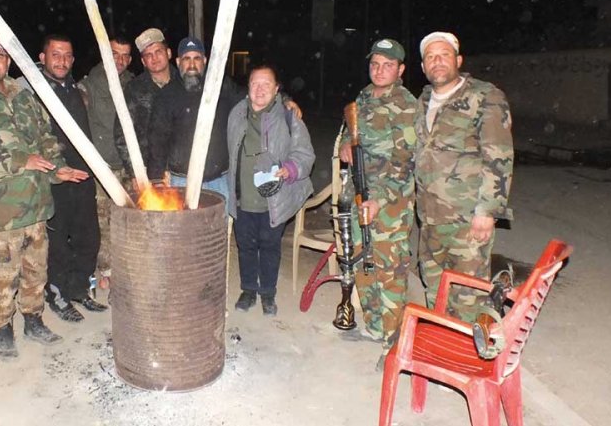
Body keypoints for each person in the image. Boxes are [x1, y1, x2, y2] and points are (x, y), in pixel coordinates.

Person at [0, 32, 88, 360]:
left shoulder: (24, 97)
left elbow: (44, 138)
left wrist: (58, 169)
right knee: (2, 275)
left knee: (35, 269)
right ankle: (2, 328)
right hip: (0, 210)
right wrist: (20, 160)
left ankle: (34, 320)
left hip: (36, 204)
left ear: (8, 61)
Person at [414, 31, 514, 323]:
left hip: (467, 220)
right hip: (429, 219)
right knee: (435, 288)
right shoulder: (422, 101)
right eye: (430, 57)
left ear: (458, 60)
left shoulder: (484, 96)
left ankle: (467, 358)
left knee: (468, 295)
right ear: (423, 67)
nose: (437, 61)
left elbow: (499, 157)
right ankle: (438, 346)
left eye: (444, 55)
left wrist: (488, 211)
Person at [336, 38, 417, 367]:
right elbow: (349, 132)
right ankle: (373, 325)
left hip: (390, 204)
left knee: (390, 271)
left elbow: (405, 162)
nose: (379, 70)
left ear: (400, 70)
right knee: (362, 261)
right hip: (359, 194)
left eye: (387, 65)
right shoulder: (364, 97)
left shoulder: (407, 105)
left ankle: (395, 341)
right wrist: (344, 145)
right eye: (375, 64)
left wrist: (379, 200)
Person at [227, 64, 315, 316]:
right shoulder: (236, 114)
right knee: (245, 245)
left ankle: (267, 293)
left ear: (277, 89)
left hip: (273, 199)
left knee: (269, 246)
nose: (260, 89)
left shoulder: (288, 117)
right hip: (243, 197)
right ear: (248, 88)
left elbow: (305, 154)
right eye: (255, 83)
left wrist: (290, 168)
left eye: (267, 84)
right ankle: (247, 290)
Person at [38, 34, 108, 321]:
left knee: (88, 238)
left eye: (67, 55)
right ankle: (57, 295)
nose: (62, 60)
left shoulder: (78, 90)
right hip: (53, 180)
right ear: (42, 58)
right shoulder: (30, 90)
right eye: (55, 54)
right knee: (57, 244)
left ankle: (79, 289)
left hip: (83, 177)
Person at [147, 37, 241, 200]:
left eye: (197, 58)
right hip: (181, 182)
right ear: (178, 61)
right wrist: (156, 179)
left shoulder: (222, 87)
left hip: (219, 181)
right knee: (183, 226)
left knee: (220, 225)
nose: (191, 64)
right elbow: (157, 138)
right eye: (186, 59)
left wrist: (284, 100)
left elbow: (253, 98)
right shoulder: (167, 96)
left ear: (204, 61)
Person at [77, 36, 134, 284]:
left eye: (124, 56)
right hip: (103, 168)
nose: (119, 60)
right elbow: (63, 96)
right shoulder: (89, 84)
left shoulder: (133, 84)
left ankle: (129, 269)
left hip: (129, 166)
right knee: (102, 222)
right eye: (114, 54)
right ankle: (107, 271)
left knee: (130, 221)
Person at [114, 27, 179, 178]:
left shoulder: (184, 83)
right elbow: (122, 134)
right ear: (143, 61)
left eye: (158, 51)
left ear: (168, 53)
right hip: (149, 172)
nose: (154, 58)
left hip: (182, 172)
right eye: (148, 55)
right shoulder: (134, 89)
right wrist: (135, 172)